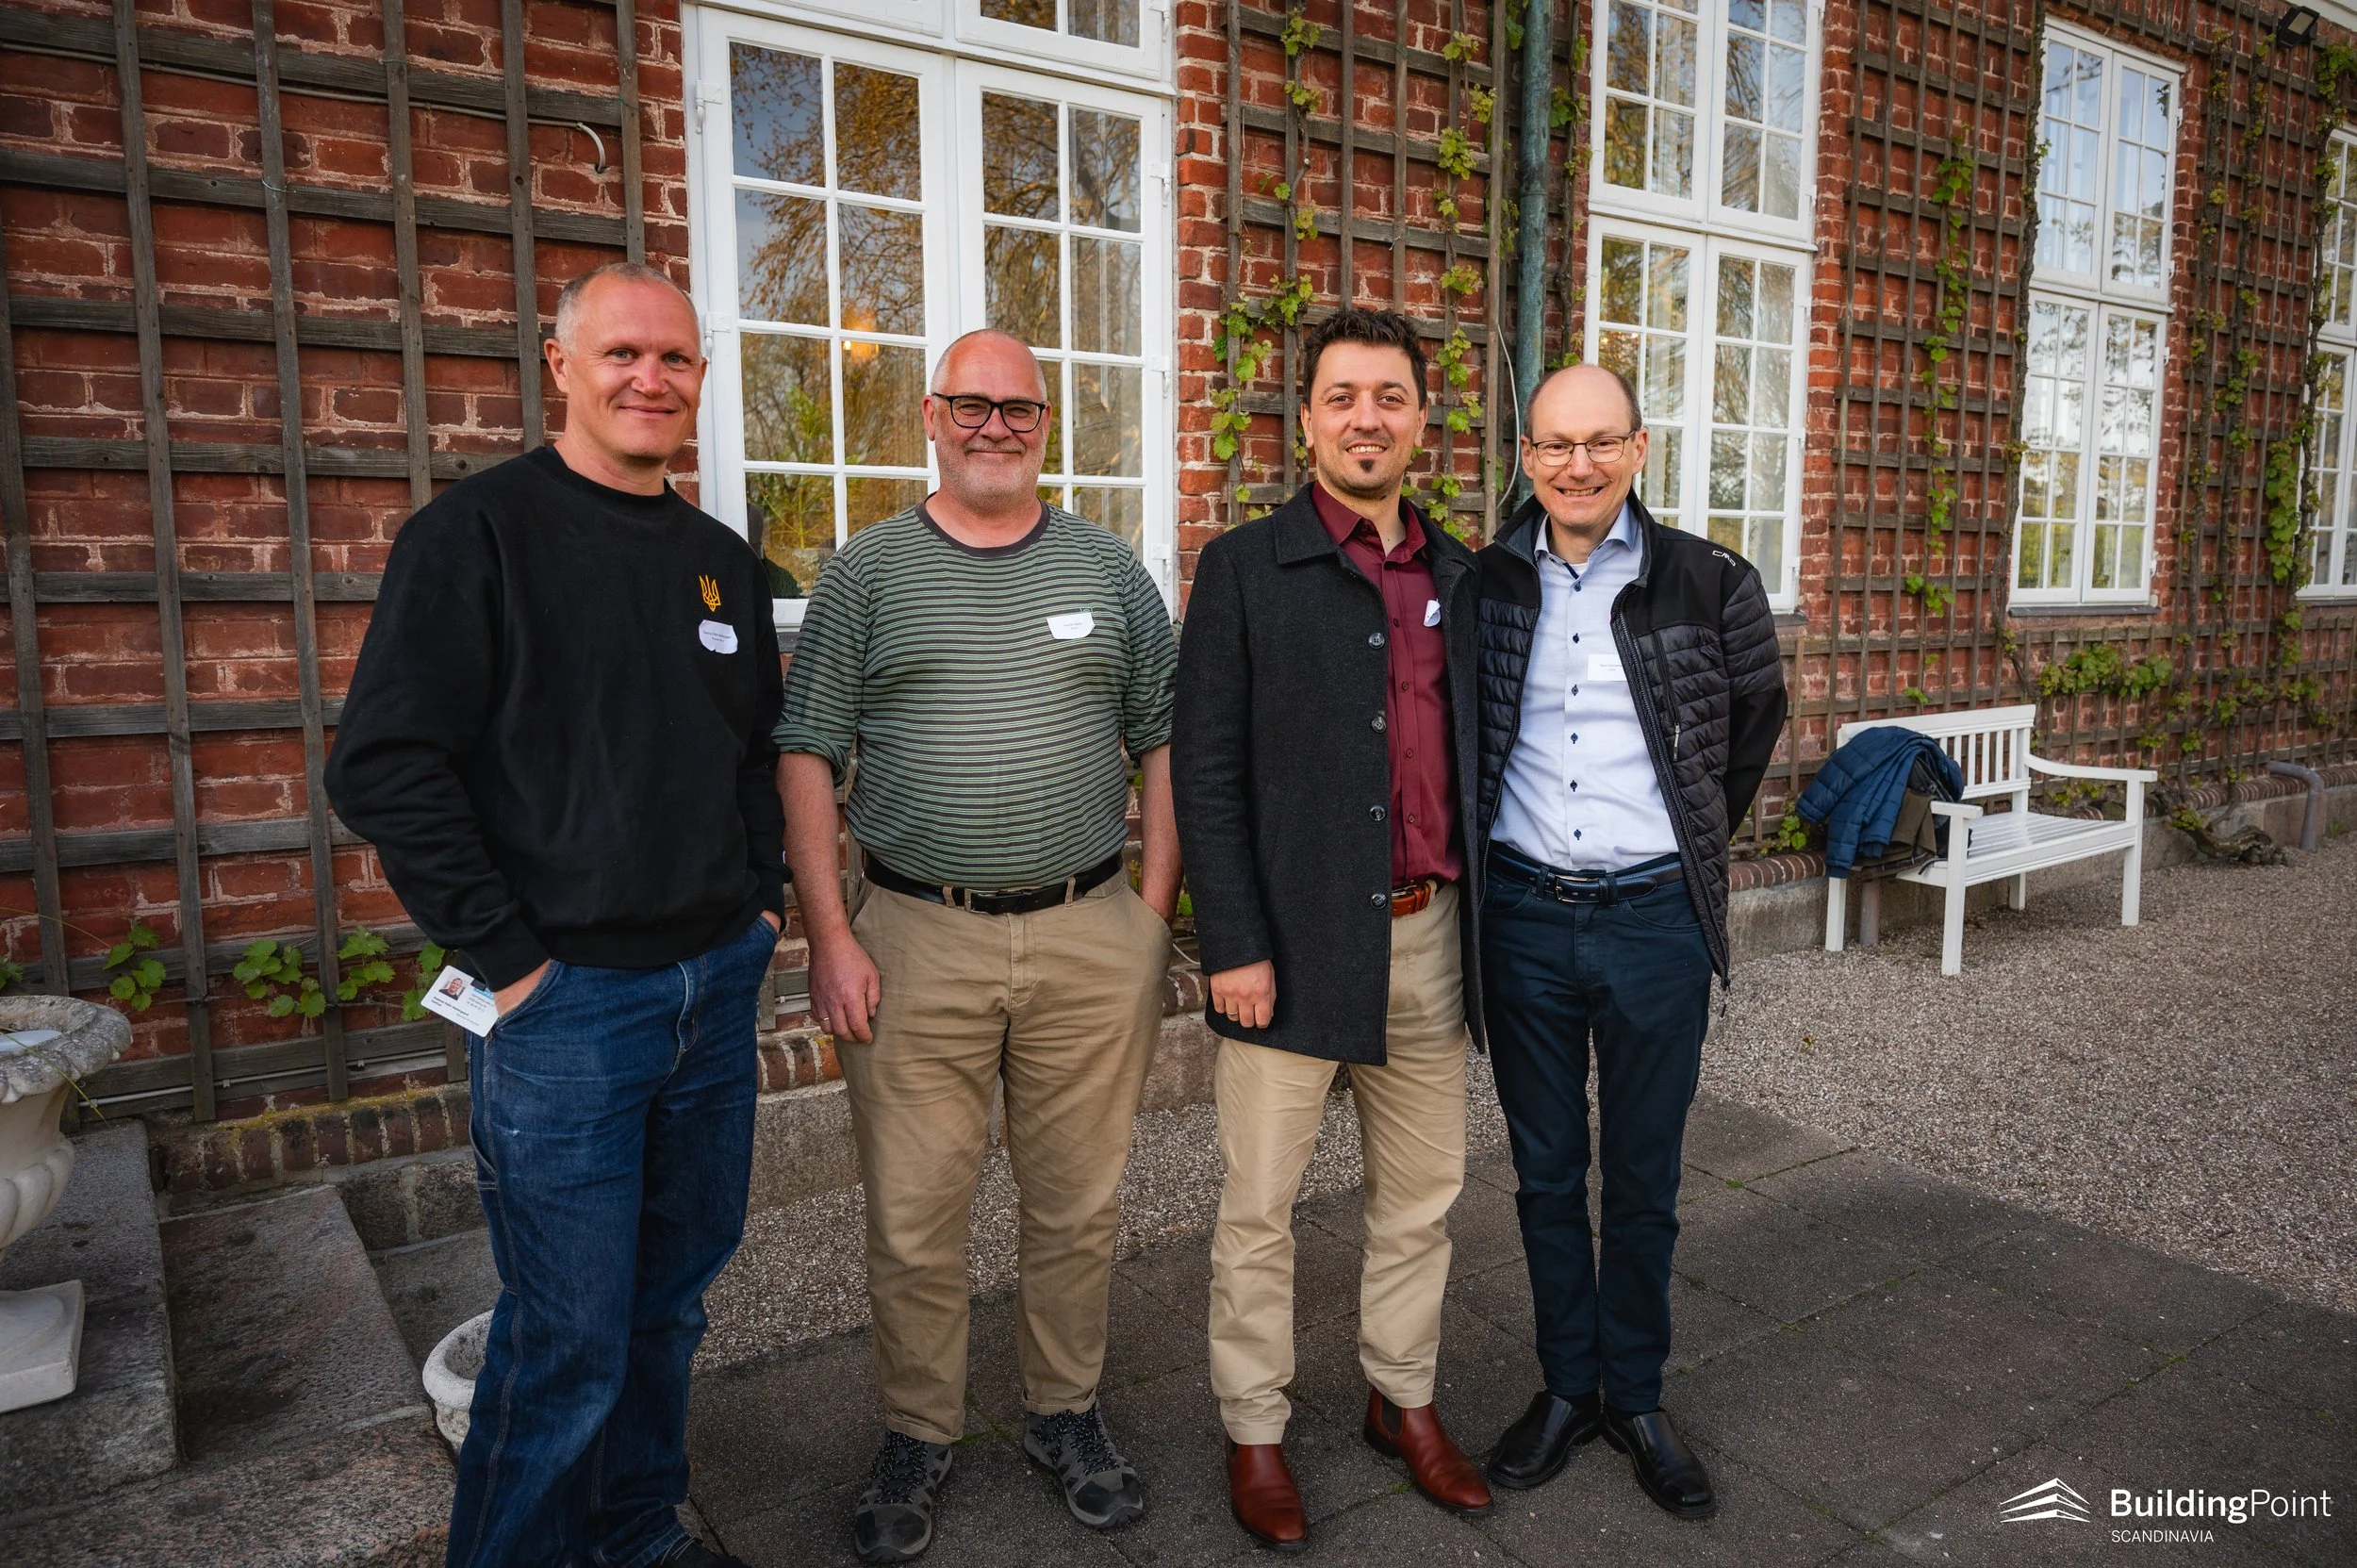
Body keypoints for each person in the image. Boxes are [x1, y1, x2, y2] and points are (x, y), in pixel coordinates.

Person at [325, 262, 781, 1568]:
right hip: (564, 1009)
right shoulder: (476, 536)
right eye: (623, 352)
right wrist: (511, 961)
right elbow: (384, 765)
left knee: (668, 1306)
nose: (651, 378)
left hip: (711, 990)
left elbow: (753, 754)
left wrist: (757, 905)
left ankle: (636, 1532)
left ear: (701, 381)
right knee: (565, 1334)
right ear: (562, 365)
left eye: (676, 358)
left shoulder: (720, 565)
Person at [776, 328, 1180, 1565]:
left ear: (1047, 422)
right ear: (930, 415)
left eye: (1018, 407)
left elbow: (1163, 741)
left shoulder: (1111, 568)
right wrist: (830, 933)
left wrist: (1152, 915)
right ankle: (917, 1428)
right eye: (971, 404)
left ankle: (1065, 1410)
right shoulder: (866, 572)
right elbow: (807, 752)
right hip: (914, 936)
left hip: (1088, 931)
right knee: (912, 1212)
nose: (994, 425)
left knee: (1079, 1203)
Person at [1173, 307, 1492, 1551]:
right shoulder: (1245, 569)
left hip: (1430, 937)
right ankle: (1253, 1425)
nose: (1368, 418)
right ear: (1305, 419)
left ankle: (1399, 1397)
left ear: (1421, 420)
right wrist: (1232, 943)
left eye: (1390, 396)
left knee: (1420, 1198)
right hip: (1288, 947)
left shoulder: (1461, 574)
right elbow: (1207, 773)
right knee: (1260, 1205)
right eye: (1344, 396)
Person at [1472, 363, 1788, 1518]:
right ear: (1527, 456)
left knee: (1644, 1175)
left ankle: (1637, 1396)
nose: (1578, 465)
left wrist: (1680, 842)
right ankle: (1568, 1387)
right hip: (1522, 918)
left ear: (1639, 449)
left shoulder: (1709, 580)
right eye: (1556, 444)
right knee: (1547, 1171)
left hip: (1654, 919)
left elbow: (1748, 729)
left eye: (1601, 441)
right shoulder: (1485, 581)